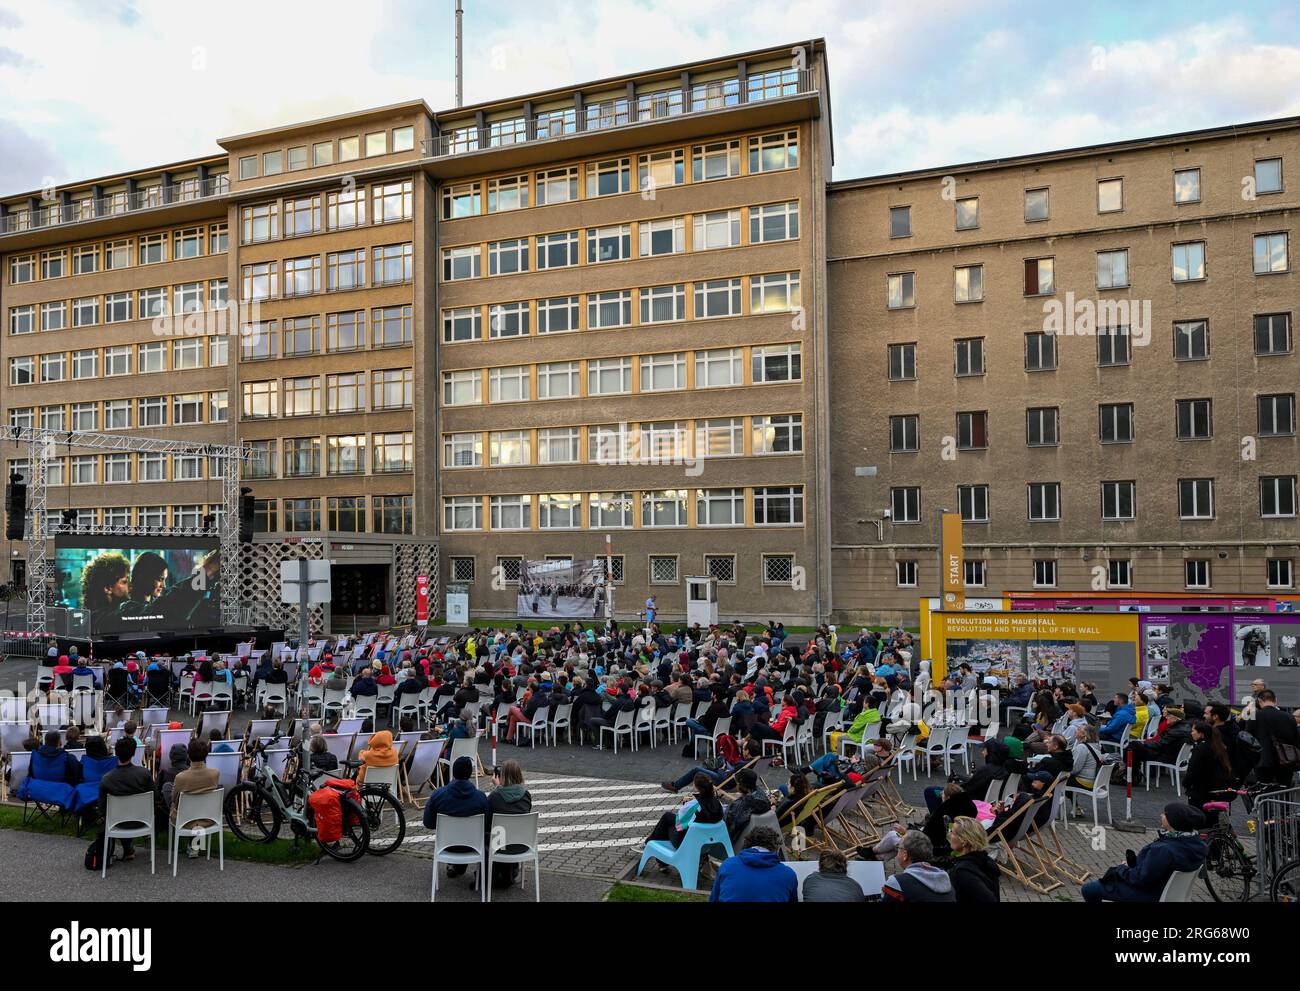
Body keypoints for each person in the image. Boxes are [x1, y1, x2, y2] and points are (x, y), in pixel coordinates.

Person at [1081, 803, 1207, 902]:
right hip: (1173, 893)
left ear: (1174, 821)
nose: (1161, 815)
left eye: (1165, 814)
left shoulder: (1164, 849)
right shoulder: (1196, 843)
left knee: (1089, 888)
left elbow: (1140, 879)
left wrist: (1122, 869)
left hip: (1151, 893)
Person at [422, 756, 489, 878]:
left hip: (446, 846)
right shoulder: (481, 798)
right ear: (470, 773)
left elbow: (428, 823)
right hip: (473, 847)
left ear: (453, 771)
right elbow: (487, 825)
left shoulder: (438, 795)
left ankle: (456, 866)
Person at [95, 737, 154, 864]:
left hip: (117, 823)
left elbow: (102, 808)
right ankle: (147, 837)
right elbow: (155, 798)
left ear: (116, 753)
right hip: (143, 820)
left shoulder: (106, 779)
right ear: (133, 753)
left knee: (119, 813)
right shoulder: (144, 774)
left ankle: (128, 849)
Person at [709, 826, 797, 903]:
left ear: (747, 844)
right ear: (776, 849)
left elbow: (713, 899)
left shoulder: (727, 865)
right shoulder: (788, 875)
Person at [169, 738, 219, 859]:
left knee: (171, 796)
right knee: (198, 805)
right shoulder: (215, 773)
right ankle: (196, 846)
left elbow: (174, 800)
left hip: (185, 819)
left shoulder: (181, 777)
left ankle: (191, 845)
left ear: (189, 756)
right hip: (207, 817)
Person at [486, 760, 533, 889]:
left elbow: (487, 823)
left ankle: (490, 875)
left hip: (499, 846)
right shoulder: (526, 795)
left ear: (502, 776)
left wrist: (497, 787)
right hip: (522, 844)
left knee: (488, 836)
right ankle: (510, 872)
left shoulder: (494, 796)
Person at [881, 831, 957, 903]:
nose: (897, 851)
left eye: (898, 847)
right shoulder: (946, 881)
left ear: (905, 855)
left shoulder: (897, 883)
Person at [1244, 689, 1300, 786]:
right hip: (1286, 762)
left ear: (1260, 701)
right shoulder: (1289, 717)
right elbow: (1296, 740)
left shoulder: (1254, 717)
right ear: (1275, 700)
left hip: (1262, 762)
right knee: (1284, 795)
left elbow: (1247, 739)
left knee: (1263, 794)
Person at [1184, 720, 1234, 818]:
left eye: (1193, 730)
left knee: (1200, 818)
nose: (1191, 732)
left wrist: (1186, 783)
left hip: (1201, 792)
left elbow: (1192, 771)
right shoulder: (1218, 747)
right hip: (1215, 790)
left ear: (1201, 734)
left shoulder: (1200, 749)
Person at [947, 816, 1000, 903]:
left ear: (963, 840)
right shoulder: (985, 861)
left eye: (952, 832)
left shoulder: (964, 871)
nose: (949, 835)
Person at [723, 768, 771, 845]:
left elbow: (730, 824)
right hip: (756, 831)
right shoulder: (759, 793)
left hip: (732, 840)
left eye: (737, 783)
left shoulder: (743, 804)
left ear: (741, 784)